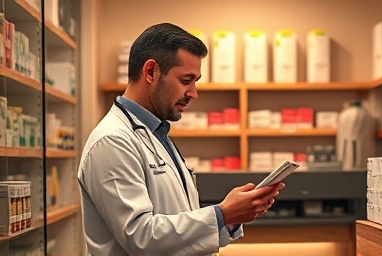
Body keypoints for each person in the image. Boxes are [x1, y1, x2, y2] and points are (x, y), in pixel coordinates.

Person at [77, 23, 284, 256]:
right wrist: (222, 214)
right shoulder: (112, 141)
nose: (194, 93)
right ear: (151, 72)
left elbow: (178, 223)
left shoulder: (155, 133)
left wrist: (231, 217)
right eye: (186, 81)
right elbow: (140, 237)